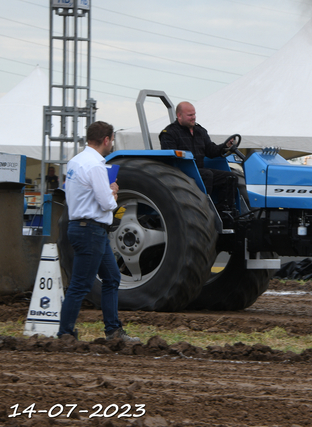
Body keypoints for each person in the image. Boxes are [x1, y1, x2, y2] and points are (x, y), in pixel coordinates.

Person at [58, 121, 139, 343]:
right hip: (91, 229)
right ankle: (65, 333)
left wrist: (106, 191)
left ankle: (113, 330)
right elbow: (107, 204)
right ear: (106, 140)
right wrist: (113, 193)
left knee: (112, 277)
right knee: (80, 284)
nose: (111, 144)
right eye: (111, 140)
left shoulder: (75, 162)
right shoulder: (95, 166)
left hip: (83, 227)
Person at [159, 101, 238, 214]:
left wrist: (225, 146)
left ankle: (224, 211)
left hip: (200, 170)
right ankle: (203, 211)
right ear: (179, 116)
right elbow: (170, 160)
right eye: (190, 115)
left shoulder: (200, 131)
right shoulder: (169, 133)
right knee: (207, 175)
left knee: (231, 177)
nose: (193, 118)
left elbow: (211, 151)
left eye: (194, 114)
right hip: (181, 173)